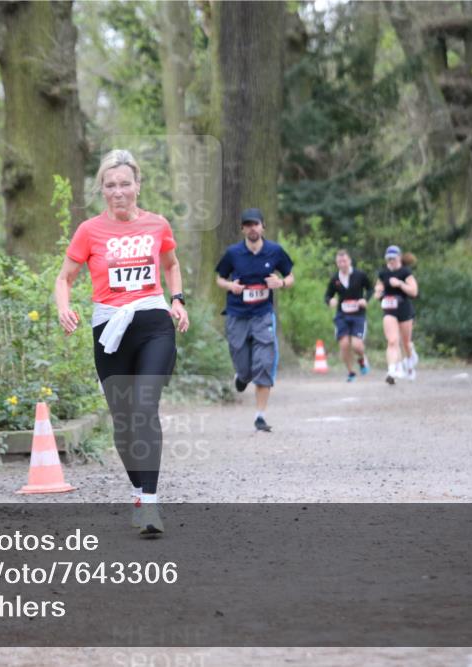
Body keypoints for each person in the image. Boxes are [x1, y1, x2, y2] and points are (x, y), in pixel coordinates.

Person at [55, 149, 188, 537]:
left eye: (125, 184)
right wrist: (64, 308)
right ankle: (136, 489)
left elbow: (172, 264)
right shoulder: (88, 230)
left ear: (137, 186)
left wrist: (177, 301)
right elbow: (65, 277)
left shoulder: (157, 225)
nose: (118, 192)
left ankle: (150, 504)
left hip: (153, 323)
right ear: (102, 189)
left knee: (145, 406)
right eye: (110, 185)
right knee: (124, 419)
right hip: (109, 328)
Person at [215, 208, 294, 432]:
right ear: (242, 229)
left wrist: (282, 283)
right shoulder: (233, 253)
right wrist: (231, 286)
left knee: (265, 362)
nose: (252, 228)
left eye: (256, 224)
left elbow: (290, 275)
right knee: (244, 366)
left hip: (263, 314)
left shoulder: (275, 251)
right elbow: (219, 278)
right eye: (248, 225)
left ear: (262, 227)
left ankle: (260, 416)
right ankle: (242, 376)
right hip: (237, 314)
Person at [324, 249, 372, 382]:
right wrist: (330, 300)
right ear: (336, 263)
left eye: (344, 261)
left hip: (358, 315)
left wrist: (365, 300)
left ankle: (362, 359)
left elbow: (370, 288)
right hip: (342, 316)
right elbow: (327, 295)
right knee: (344, 345)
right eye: (339, 261)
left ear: (349, 261)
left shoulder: (360, 275)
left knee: (356, 345)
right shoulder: (335, 279)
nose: (342, 263)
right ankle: (351, 372)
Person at [373, 246, 418, 384]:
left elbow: (414, 292)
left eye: (393, 258)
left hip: (404, 308)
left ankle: (410, 364)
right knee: (392, 340)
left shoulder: (405, 272)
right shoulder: (383, 273)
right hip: (389, 309)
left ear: (399, 257)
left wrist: (399, 284)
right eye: (388, 258)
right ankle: (392, 370)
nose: (391, 261)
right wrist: (378, 292)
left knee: (405, 343)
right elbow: (377, 292)